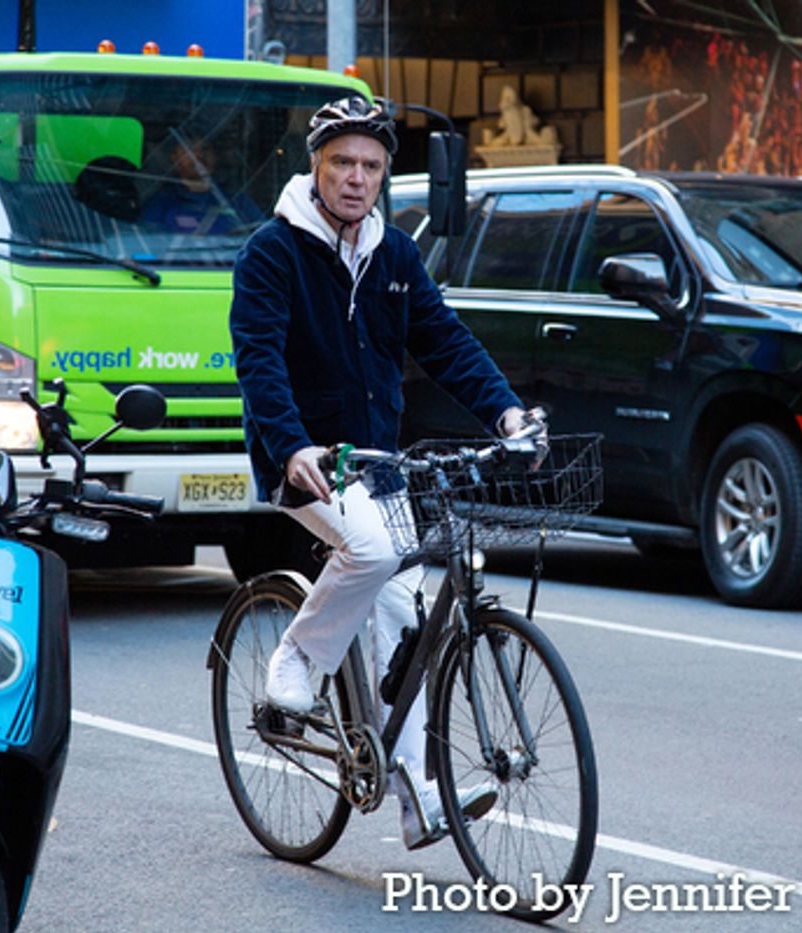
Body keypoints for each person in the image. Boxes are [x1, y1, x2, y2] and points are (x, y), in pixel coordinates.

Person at [228, 96, 530, 850]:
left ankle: (416, 795)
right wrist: (290, 442)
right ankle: (298, 654)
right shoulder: (273, 251)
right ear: (316, 166)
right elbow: (258, 357)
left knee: (406, 618)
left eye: (370, 166)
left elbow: (446, 339)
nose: (356, 179)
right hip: (306, 461)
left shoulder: (394, 254)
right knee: (370, 550)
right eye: (342, 163)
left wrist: (506, 414)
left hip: (379, 463)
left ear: (385, 173)